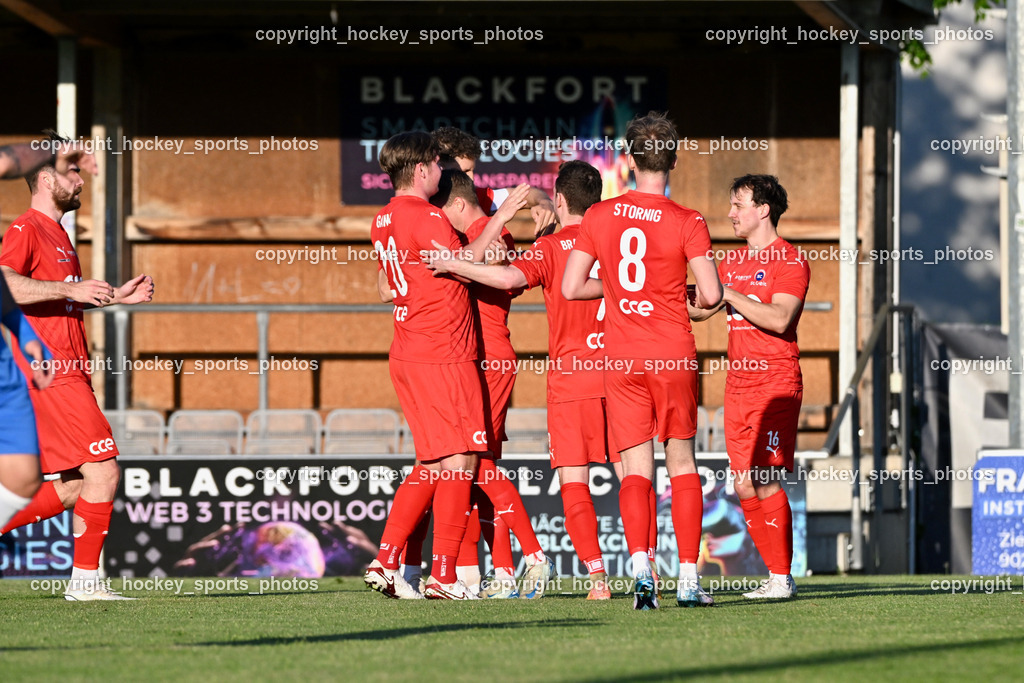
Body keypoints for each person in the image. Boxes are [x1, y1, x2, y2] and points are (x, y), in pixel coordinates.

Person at [426, 160, 616, 600]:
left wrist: (454, 264)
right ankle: (648, 569)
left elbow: (509, 278)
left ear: (563, 201)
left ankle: (598, 580)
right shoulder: (618, 244)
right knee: (634, 475)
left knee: (574, 483)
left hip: (572, 379)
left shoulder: (552, 248)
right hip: (623, 374)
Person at [562, 112, 722, 610]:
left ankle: (640, 574)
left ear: (629, 160)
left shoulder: (598, 216)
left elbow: (571, 287)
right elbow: (712, 295)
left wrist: (614, 290)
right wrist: (680, 298)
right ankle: (690, 582)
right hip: (672, 352)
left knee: (635, 466)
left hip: (621, 356)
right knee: (681, 461)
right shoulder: (688, 220)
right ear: (673, 159)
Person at [362, 130, 528, 600]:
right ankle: (445, 575)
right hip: (443, 351)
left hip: (409, 348)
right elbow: (463, 264)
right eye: (438, 165)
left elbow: (389, 285)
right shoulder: (428, 216)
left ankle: (387, 559)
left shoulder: (382, 219)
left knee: (434, 462)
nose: (444, 173)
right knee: (461, 459)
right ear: (421, 170)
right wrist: (502, 220)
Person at [0, 132, 155, 601]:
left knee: (71, 486)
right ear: (45, 178)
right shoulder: (27, 228)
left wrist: (111, 297)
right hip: (52, 373)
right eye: (71, 171)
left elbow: (56, 303)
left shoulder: (61, 237)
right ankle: (85, 584)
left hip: (67, 371)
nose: (80, 180)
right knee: (104, 469)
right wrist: (72, 289)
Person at [421, 168, 553, 599]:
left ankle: (531, 557)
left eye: (443, 209)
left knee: (474, 464)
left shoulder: (484, 234)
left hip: (488, 360)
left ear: (456, 203)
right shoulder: (477, 229)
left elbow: (498, 263)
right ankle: (495, 571)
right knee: (473, 469)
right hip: (472, 360)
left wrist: (452, 261)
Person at [687, 174, 808, 600]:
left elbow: (779, 319)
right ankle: (776, 576)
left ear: (763, 210)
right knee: (741, 484)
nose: (731, 213)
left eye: (739, 205)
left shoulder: (790, 260)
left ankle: (781, 577)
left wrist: (730, 294)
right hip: (737, 385)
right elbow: (701, 310)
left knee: (764, 476)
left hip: (774, 382)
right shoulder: (732, 262)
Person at [432, 126, 557, 236]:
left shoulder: (477, 196)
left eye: (472, 170)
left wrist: (545, 202)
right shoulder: (422, 203)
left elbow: (527, 194)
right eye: (464, 172)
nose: (472, 178)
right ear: (438, 168)